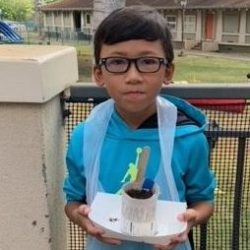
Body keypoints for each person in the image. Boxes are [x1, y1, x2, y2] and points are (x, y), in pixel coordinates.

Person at [63, 5, 215, 250]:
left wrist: (192, 219)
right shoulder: (85, 136)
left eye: (147, 61)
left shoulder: (188, 137)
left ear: (168, 71)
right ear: (99, 74)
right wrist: (80, 216)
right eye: (117, 62)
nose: (133, 76)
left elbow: (204, 202)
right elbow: (73, 201)